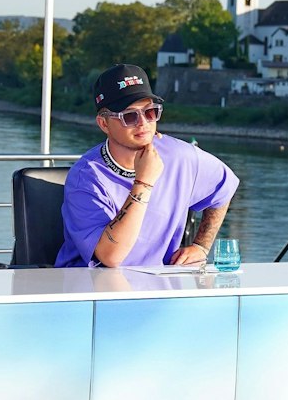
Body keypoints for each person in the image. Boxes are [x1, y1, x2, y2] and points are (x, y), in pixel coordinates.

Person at [57, 63, 239, 268]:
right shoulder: (86, 178)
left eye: (150, 112)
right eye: (130, 116)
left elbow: (225, 186)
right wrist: (144, 182)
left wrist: (201, 246)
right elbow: (111, 257)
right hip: (88, 287)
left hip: (156, 285)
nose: (143, 122)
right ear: (104, 124)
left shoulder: (180, 156)